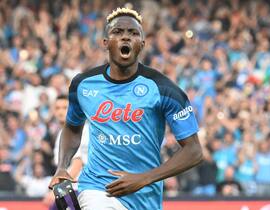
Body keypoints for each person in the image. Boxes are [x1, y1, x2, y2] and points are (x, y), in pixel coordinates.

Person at [49, 7, 203, 210]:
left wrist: (145, 178)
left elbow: (194, 150)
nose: (125, 38)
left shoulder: (164, 89)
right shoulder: (83, 85)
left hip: (144, 196)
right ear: (106, 42)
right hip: (96, 187)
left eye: (133, 33)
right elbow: (72, 128)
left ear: (142, 44)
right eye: (117, 32)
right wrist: (62, 166)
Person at [44, 94, 89, 210]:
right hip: (69, 189)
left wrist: (58, 190)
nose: (60, 112)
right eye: (57, 108)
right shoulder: (62, 133)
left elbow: (77, 164)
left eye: (65, 108)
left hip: (77, 190)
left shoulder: (77, 131)